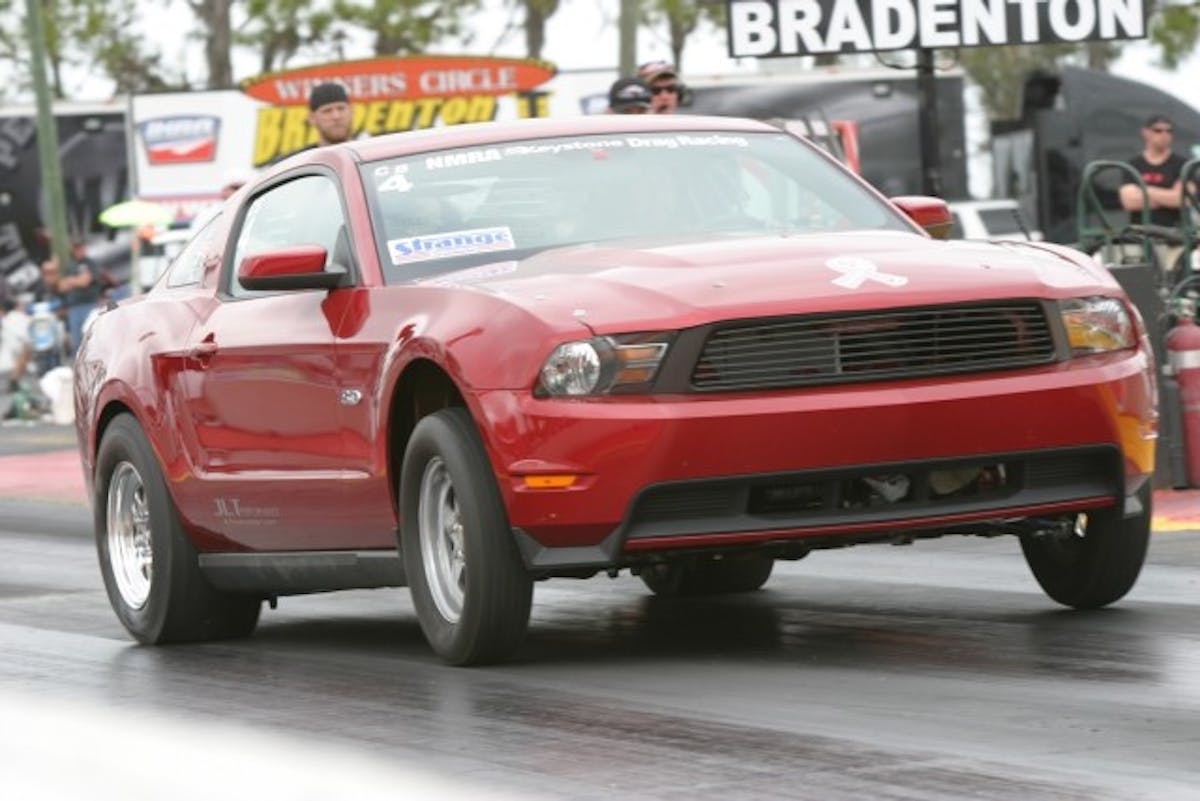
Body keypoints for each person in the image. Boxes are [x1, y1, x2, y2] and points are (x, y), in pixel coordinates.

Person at [1119, 113, 1189, 275]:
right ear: (1146, 133)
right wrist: (1167, 195)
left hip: (1174, 239)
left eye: (1169, 131)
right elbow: (1129, 201)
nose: (1164, 135)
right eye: (1158, 130)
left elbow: (1182, 199)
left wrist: (1144, 190)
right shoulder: (1133, 165)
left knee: (1173, 282)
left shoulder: (1182, 164)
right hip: (1140, 239)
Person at [43, 240, 101, 357]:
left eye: (80, 248)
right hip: (74, 308)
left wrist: (71, 281)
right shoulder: (70, 266)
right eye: (76, 248)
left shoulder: (90, 263)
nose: (79, 251)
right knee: (77, 343)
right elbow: (61, 286)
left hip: (90, 305)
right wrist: (76, 281)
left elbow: (86, 281)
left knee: (92, 339)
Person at [308, 81, 354, 147]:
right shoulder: (302, 157)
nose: (336, 116)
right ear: (312, 118)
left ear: (352, 111)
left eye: (341, 108)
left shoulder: (370, 153)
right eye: (327, 111)